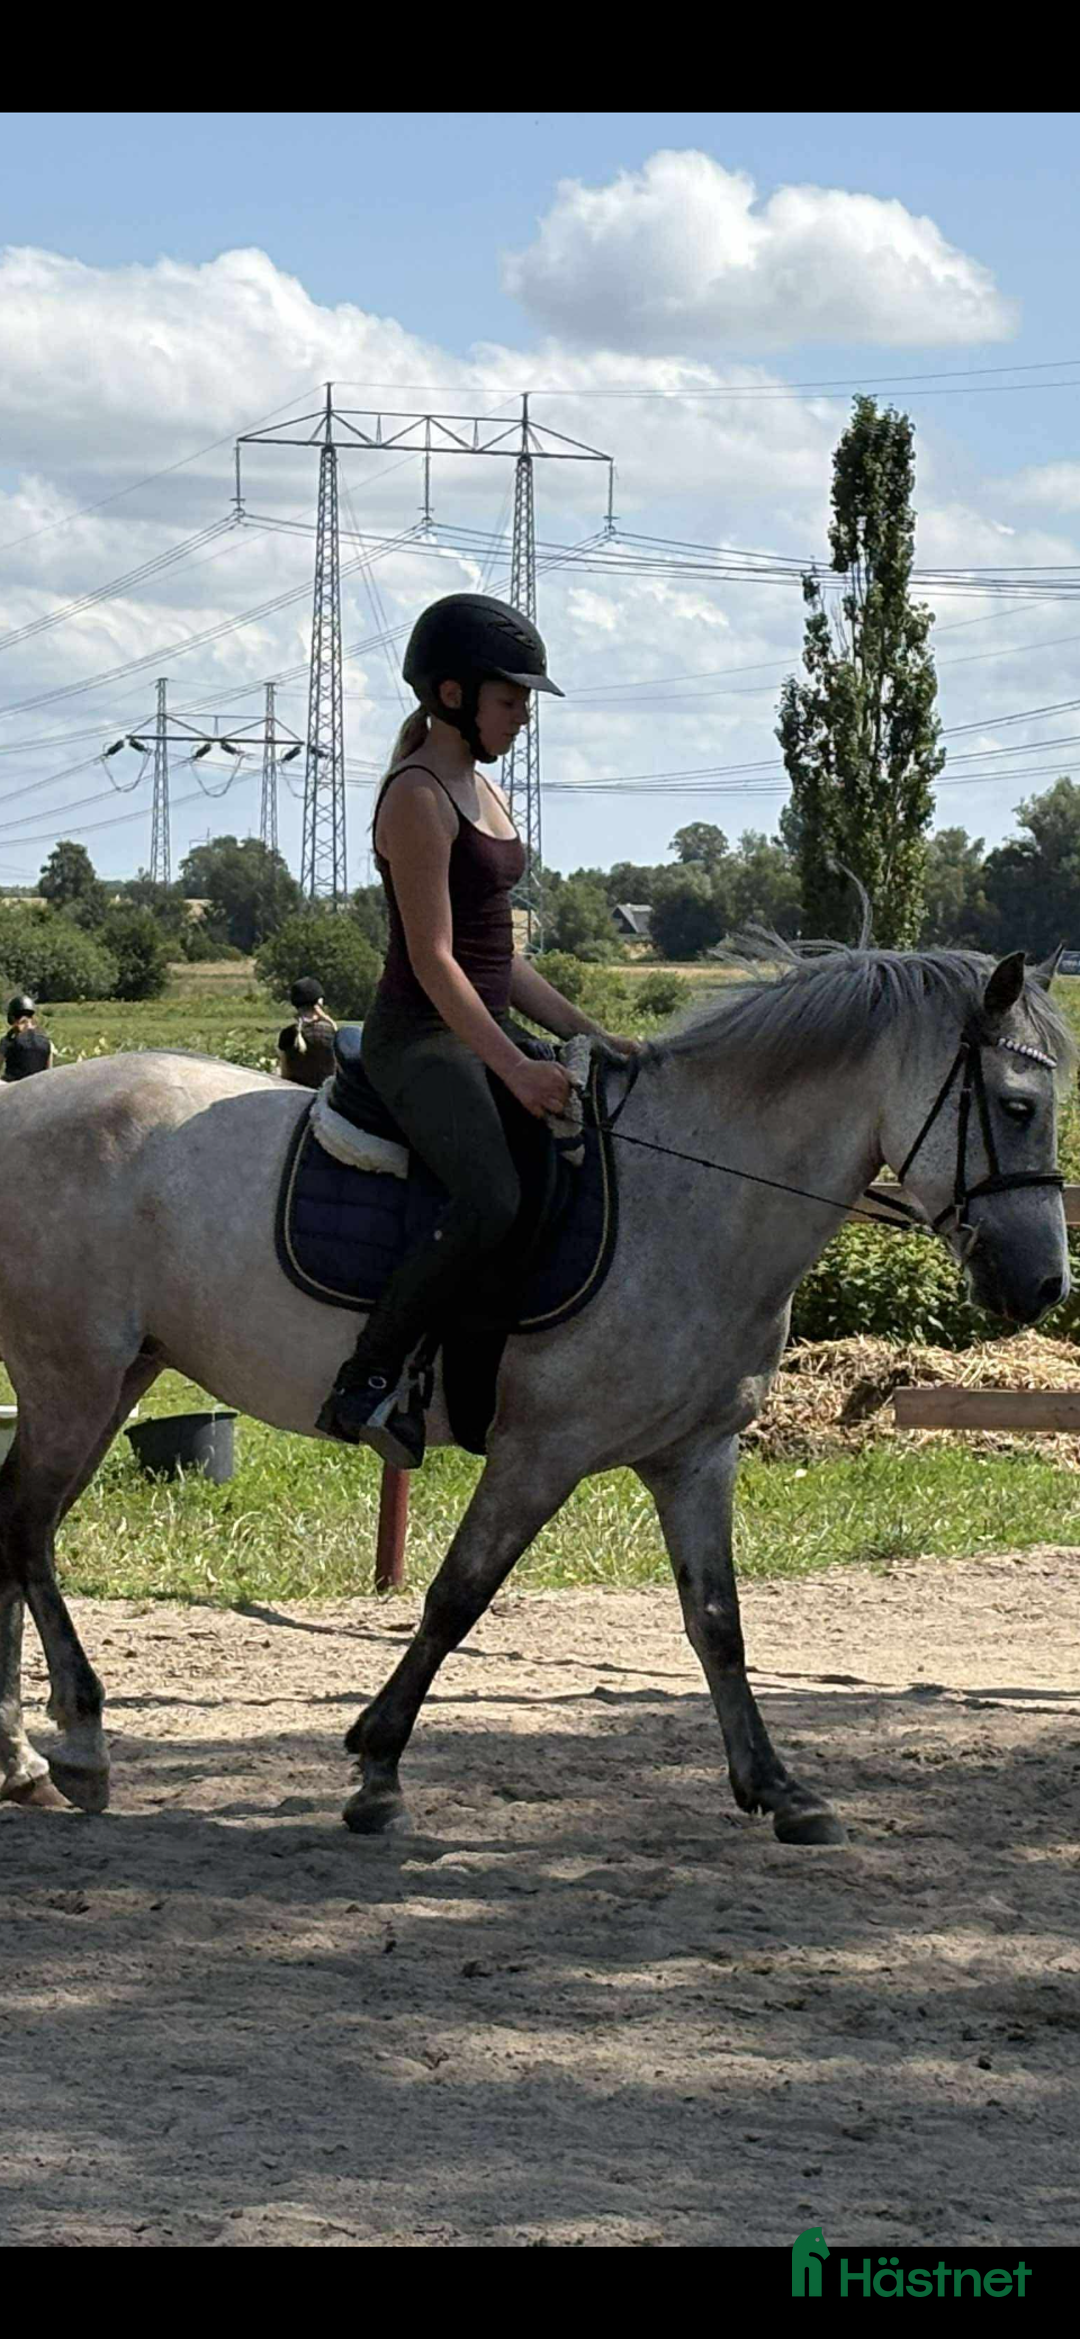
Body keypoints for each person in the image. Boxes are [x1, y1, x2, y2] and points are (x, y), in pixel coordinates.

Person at [316, 590, 637, 1465]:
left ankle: (482, 1372)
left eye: (526, 701)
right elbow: (435, 962)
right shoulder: (419, 795)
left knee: (569, 1165)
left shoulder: (481, 786)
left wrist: (589, 1034)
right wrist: (519, 1070)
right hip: (419, 1038)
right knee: (489, 1196)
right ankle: (369, 1380)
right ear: (453, 695)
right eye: (512, 699)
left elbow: (499, 958)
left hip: (474, 1024)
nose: (524, 716)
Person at [277, 976, 338, 1090]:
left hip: (297, 1092)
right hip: (327, 1093)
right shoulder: (332, 1032)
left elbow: (284, 1074)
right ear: (320, 1001)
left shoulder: (288, 1034)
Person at [1, 995, 54, 1083]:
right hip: (39, 1085)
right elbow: (49, 1072)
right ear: (32, 1017)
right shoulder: (47, 1042)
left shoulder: (8, 1041)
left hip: (13, 1086)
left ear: (12, 1018)